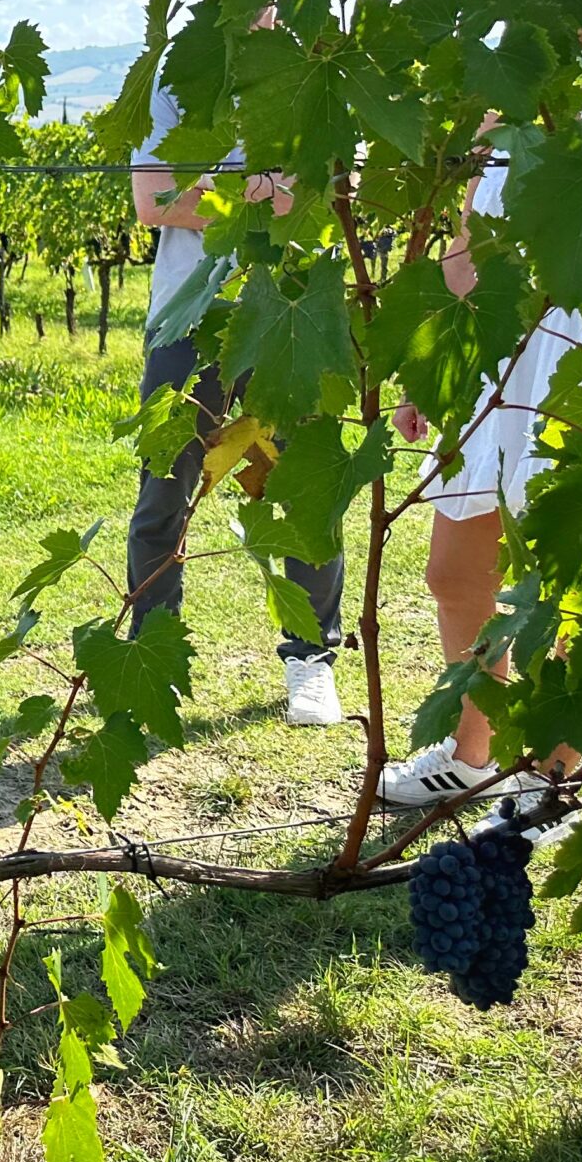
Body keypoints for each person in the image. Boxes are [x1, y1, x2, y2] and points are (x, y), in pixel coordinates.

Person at [381, 69, 582, 834]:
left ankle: (552, 778)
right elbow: (467, 249)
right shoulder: (509, 101)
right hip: (502, 354)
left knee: (575, 581)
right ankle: (471, 754)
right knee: (455, 573)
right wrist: (431, 368)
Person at [127, 73, 347, 725]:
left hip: (291, 316)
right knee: (163, 492)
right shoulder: (176, 78)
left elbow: (328, 197)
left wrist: (210, 189)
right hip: (186, 317)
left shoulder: (312, 76)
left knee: (306, 491)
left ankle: (311, 657)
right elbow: (153, 201)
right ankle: (154, 653)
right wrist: (269, 192)